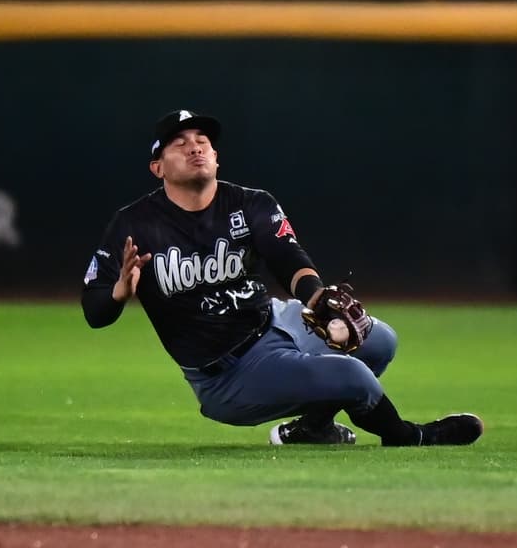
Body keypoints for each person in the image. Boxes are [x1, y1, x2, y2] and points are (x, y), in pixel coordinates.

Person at [81, 109, 484, 447]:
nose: (195, 145)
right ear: (157, 167)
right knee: (354, 376)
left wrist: (320, 302)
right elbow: (94, 312)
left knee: (379, 342)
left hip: (273, 320)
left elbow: (288, 259)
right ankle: (407, 437)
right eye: (179, 142)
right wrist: (117, 294)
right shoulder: (134, 224)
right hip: (228, 374)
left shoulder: (250, 203)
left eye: (202, 138)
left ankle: (312, 429)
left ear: (216, 155)